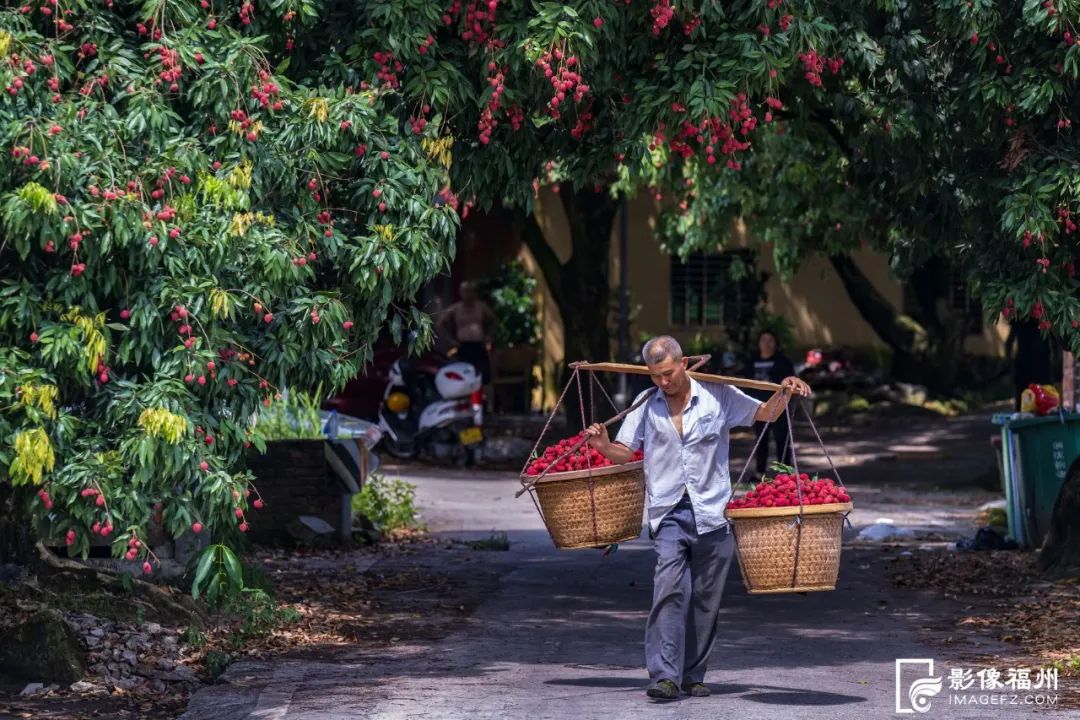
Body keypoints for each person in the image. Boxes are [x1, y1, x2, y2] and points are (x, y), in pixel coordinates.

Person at [584, 335, 811, 700]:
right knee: (669, 591)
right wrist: (603, 446)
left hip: (713, 512)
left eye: (669, 374)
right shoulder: (646, 404)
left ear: (685, 362)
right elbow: (625, 453)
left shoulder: (718, 395)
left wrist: (784, 390)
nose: (663, 383)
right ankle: (664, 676)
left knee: (706, 599)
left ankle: (693, 675)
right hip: (669, 511)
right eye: (655, 376)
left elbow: (765, 413)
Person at [746, 329, 797, 478]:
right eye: (763, 340)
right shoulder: (752, 361)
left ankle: (785, 474)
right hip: (759, 406)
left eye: (770, 340)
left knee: (782, 440)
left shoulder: (783, 361)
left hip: (780, 407)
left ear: (775, 343)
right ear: (758, 343)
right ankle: (760, 472)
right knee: (761, 440)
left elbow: (790, 382)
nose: (766, 344)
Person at [437, 281, 498, 392]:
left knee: (484, 376)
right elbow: (440, 324)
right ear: (461, 293)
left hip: (479, 345)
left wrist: (489, 337)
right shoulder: (456, 308)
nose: (468, 294)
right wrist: (451, 341)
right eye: (465, 291)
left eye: (470, 291)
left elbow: (494, 320)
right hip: (464, 346)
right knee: (465, 376)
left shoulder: (481, 307)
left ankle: (487, 405)